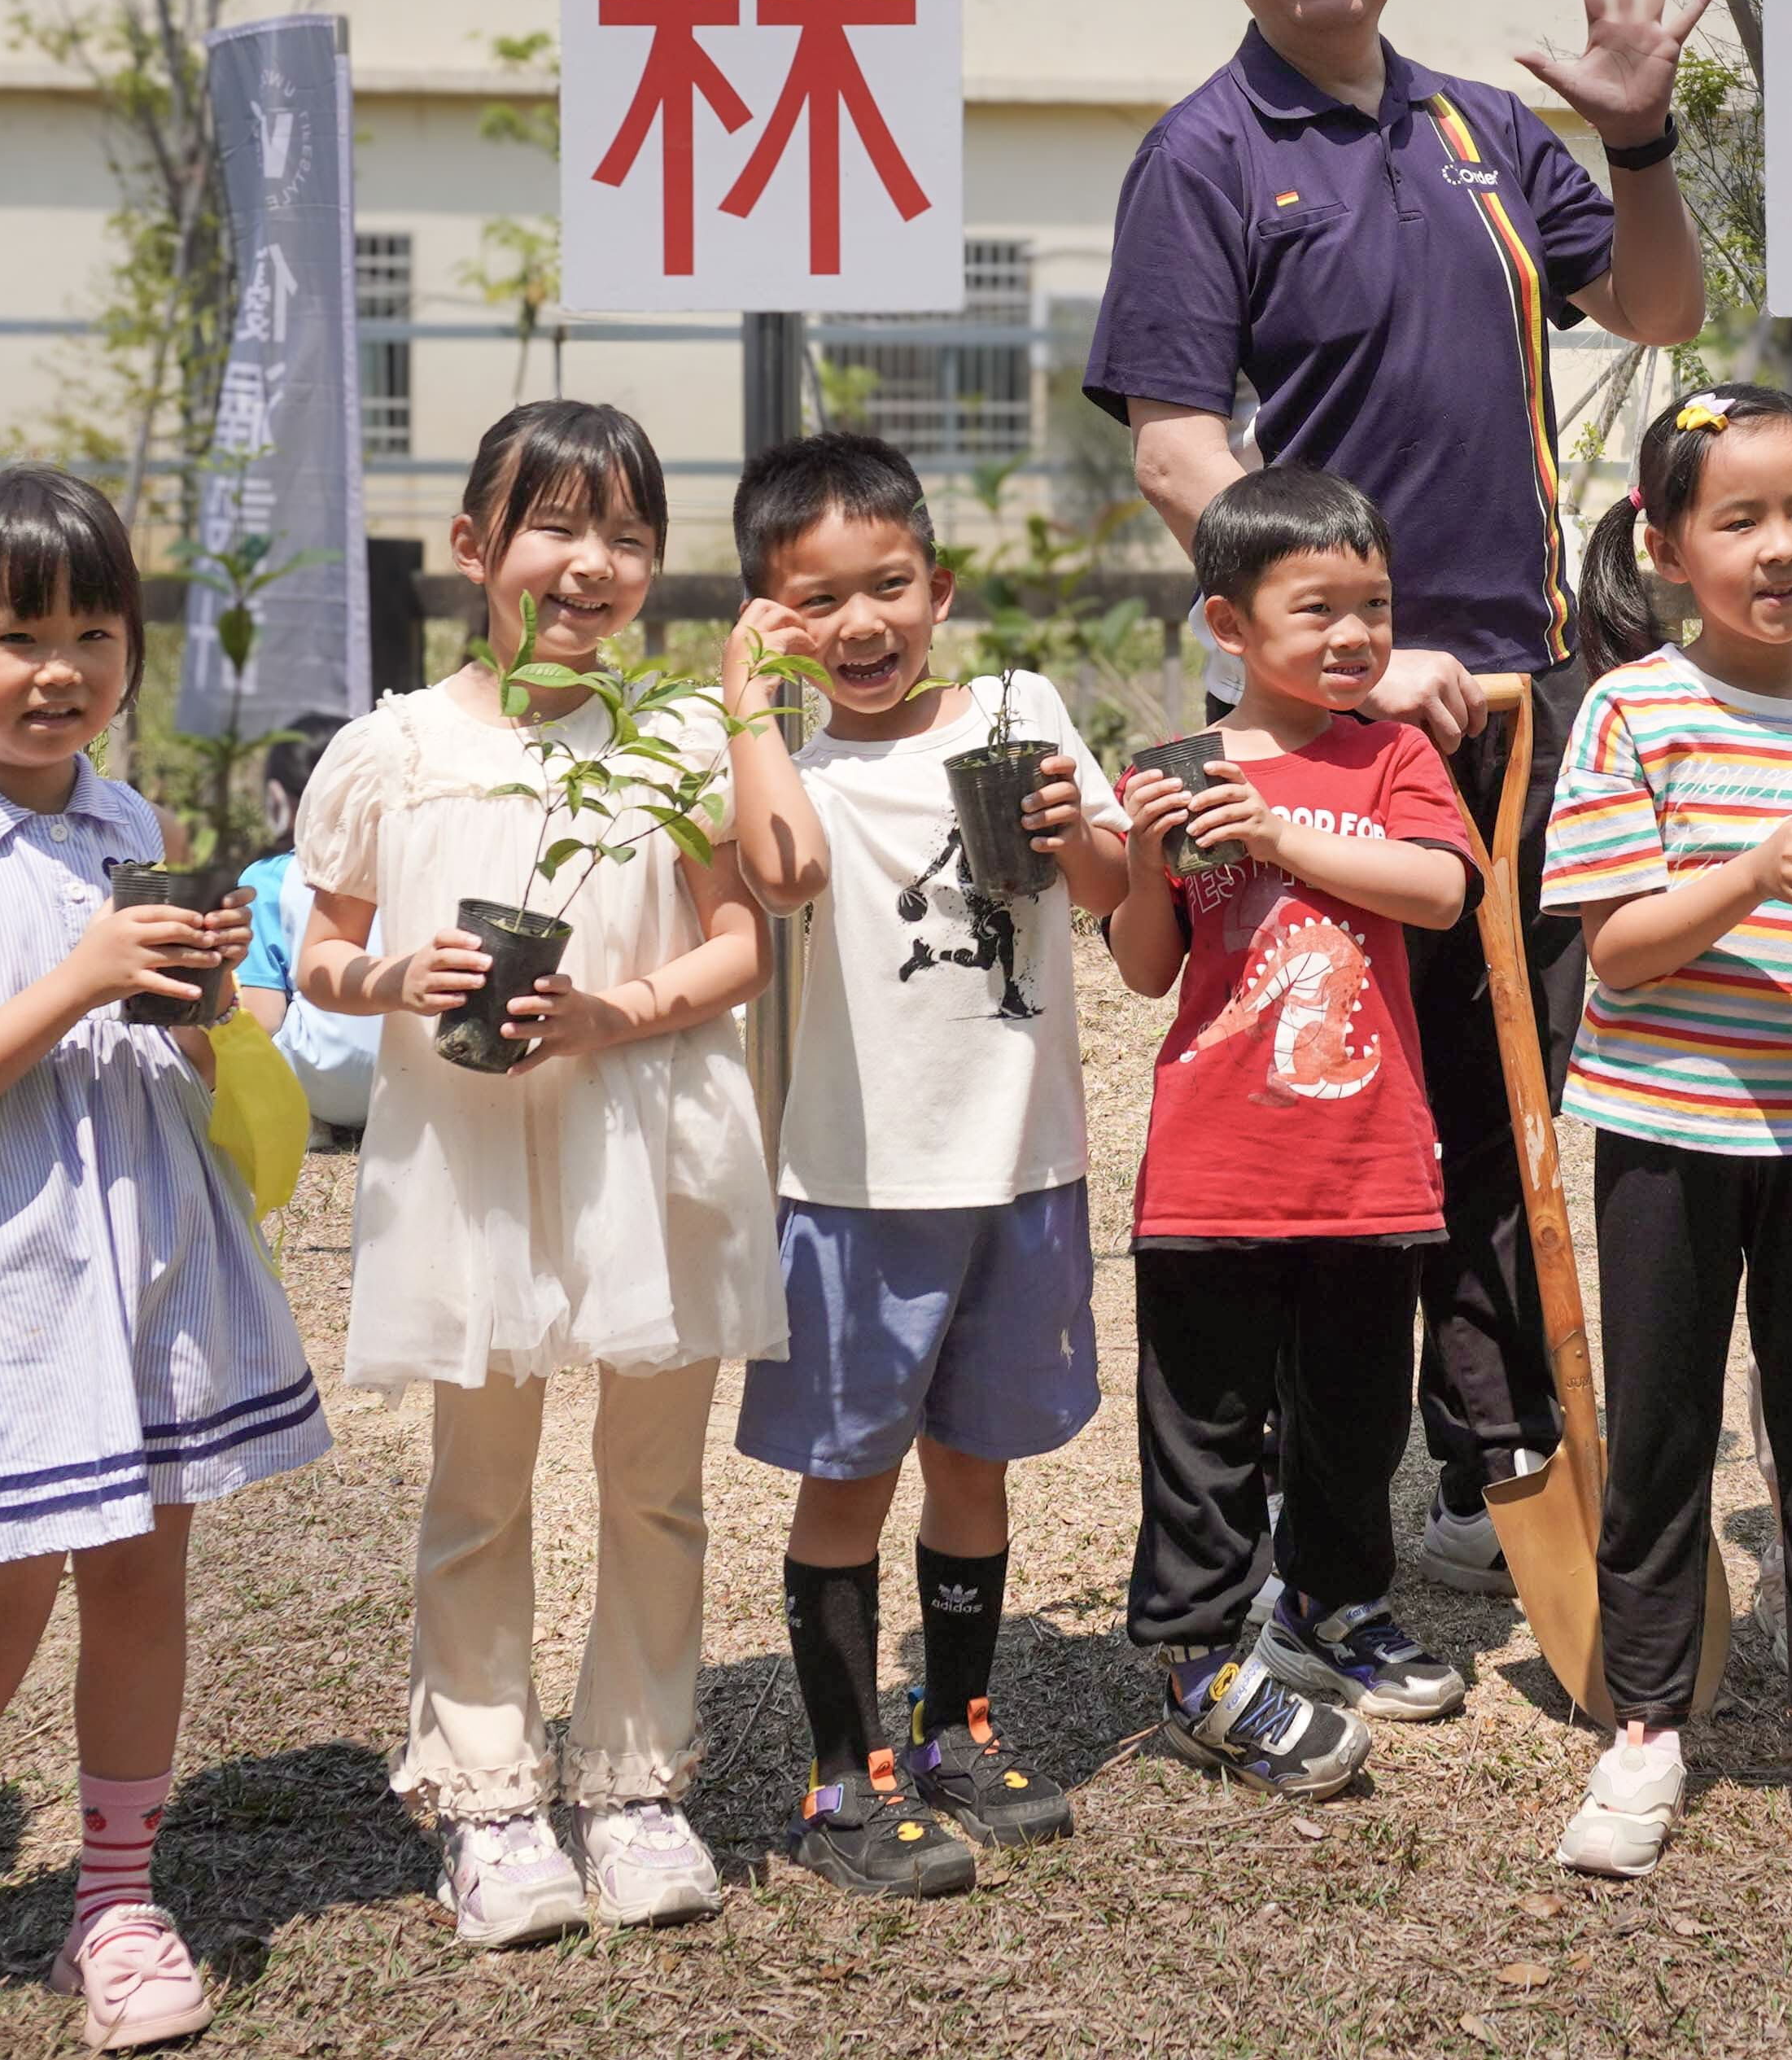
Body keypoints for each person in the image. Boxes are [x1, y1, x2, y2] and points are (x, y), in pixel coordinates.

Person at [1083, 0, 1707, 1590]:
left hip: (1521, 708)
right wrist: (1360, 643)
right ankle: (1331, 1508)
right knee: (1367, 1102)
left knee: (1514, 1091)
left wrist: (1645, 142)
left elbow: (1658, 312)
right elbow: (1177, 449)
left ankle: (1487, 1455)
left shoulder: (1483, 131)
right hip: (1340, 727)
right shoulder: (1204, 152)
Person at [0, 470, 322, 2060]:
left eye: (94, 629)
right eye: (14, 632)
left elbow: (153, 1031)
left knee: (146, 1576)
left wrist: (207, 992)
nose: (59, 666)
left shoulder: (123, 818)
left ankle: (119, 1891)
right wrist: (87, 965)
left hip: (139, 1248)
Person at [287, 403, 778, 1946]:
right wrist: (389, 974)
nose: (593, 564)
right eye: (557, 526)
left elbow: (740, 942)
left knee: (656, 1481)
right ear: (474, 547)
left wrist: (614, 1009)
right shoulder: (395, 747)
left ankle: (635, 1781)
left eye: (628, 536)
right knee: (478, 1485)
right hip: (474, 1148)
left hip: (656, 1137)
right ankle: (490, 1797)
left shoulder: (680, 739)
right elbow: (313, 954)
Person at [1541, 384, 1792, 1900]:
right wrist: (1759, 863)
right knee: (1657, 1434)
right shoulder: (1631, 709)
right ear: (1660, 543)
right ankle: (1646, 1720)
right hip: (1662, 1128)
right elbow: (1623, 949)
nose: (1784, 547)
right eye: (1739, 518)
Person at [715, 433, 1130, 1894]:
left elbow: (1111, 889)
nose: (862, 623)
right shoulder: (788, 762)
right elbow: (780, 874)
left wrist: (1081, 829)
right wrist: (748, 709)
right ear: (768, 615)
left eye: (887, 584)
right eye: (814, 599)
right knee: (848, 1473)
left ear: (937, 584)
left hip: (1018, 1161)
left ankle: (955, 1720)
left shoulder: (1021, 706)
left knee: (975, 1459)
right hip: (855, 1178)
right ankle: (838, 1781)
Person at [1107, 466, 1479, 1798]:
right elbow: (1147, 966)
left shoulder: (1390, 755)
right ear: (1226, 619)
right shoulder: (1169, 766)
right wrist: (1151, 857)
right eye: (1314, 606)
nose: (1351, 634)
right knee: (1203, 1426)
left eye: (1372, 604)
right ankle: (1200, 1650)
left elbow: (1437, 890)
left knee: (1356, 1412)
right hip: (1210, 1166)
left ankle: (1331, 1597)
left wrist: (1277, 832)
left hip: (1365, 1157)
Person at [223, 719, 374, 1140]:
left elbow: (264, 1015)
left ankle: (309, 1124)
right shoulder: (412, 868)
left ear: (277, 797)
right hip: (410, 1083)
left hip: (319, 1084)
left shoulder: (269, 879)